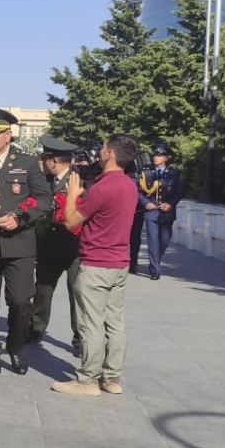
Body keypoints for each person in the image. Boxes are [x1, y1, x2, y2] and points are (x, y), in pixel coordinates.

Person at [52, 133, 141, 396]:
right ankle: (111, 378)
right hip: (119, 262)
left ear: (110, 153)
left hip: (96, 263)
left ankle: (88, 380)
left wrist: (72, 194)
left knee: (90, 323)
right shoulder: (129, 185)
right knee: (115, 322)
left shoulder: (103, 187)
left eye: (103, 147)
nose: (100, 151)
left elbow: (71, 222)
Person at [0, 108, 51, 376]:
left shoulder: (27, 163)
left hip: (19, 245)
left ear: (7, 135)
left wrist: (21, 218)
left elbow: (44, 200)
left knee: (20, 300)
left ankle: (15, 347)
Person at [28, 135, 82, 356]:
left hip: (74, 247)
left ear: (54, 160)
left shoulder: (78, 181)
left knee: (77, 293)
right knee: (43, 289)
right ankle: (36, 328)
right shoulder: (43, 181)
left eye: (45, 158)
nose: (43, 163)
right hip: (48, 245)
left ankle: (80, 337)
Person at [132, 142, 185, 280]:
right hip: (151, 212)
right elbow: (138, 192)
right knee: (153, 240)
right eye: (155, 155)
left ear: (166, 158)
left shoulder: (174, 174)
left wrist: (171, 204)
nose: (156, 157)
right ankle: (155, 270)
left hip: (167, 213)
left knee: (165, 241)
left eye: (160, 155)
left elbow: (179, 192)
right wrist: (146, 203)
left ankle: (155, 260)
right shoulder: (146, 173)